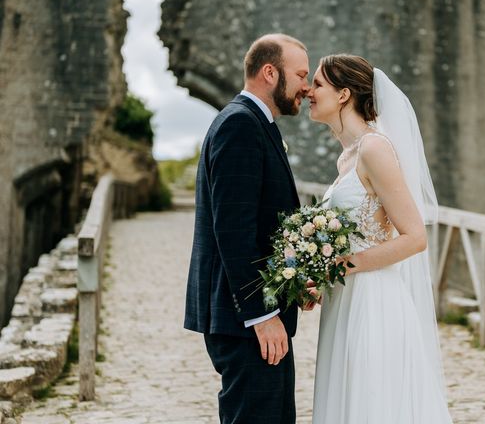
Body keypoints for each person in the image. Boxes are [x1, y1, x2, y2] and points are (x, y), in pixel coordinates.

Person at [307, 54, 453, 423]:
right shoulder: (347, 158)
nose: (309, 91)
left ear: (343, 95)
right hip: (345, 296)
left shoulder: (375, 148)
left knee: (373, 403)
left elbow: (415, 236)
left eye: (318, 84)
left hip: (374, 300)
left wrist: (341, 266)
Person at [184, 33, 310, 424]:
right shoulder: (240, 124)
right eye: (301, 74)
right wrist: (260, 315)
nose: (306, 86)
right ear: (270, 72)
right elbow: (233, 230)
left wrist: (295, 281)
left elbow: (262, 223)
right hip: (244, 321)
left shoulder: (255, 122)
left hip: (250, 317)